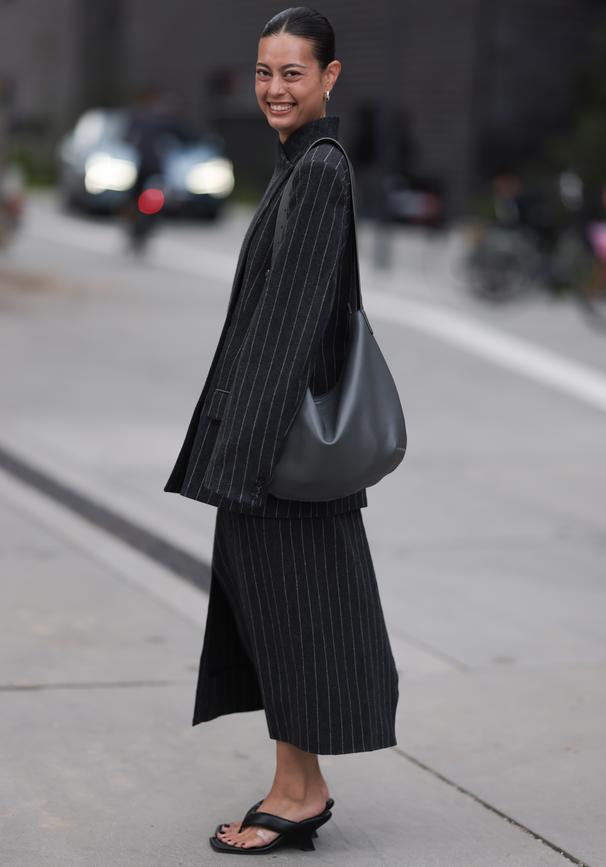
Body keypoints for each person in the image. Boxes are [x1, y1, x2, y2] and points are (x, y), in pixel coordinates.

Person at [162, 7, 399, 855]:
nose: (274, 88)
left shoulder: (320, 171)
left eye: (293, 73)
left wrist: (239, 458)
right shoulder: (300, 165)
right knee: (282, 620)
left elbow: (290, 325)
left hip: (275, 453)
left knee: (293, 618)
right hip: (269, 448)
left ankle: (299, 795)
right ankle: (298, 782)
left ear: (330, 78)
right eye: (265, 72)